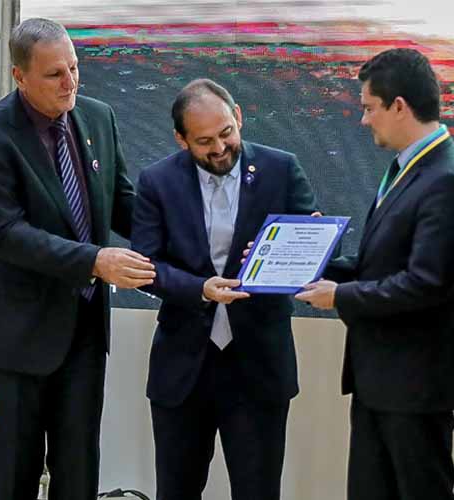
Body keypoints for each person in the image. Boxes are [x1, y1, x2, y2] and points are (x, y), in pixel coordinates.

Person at [0, 17, 155, 500]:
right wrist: (95, 261)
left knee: (79, 473)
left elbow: (122, 203)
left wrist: (191, 239)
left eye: (74, 67)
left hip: (82, 333)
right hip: (11, 340)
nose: (70, 82)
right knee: (16, 478)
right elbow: (8, 236)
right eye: (54, 74)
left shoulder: (98, 117)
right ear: (19, 76)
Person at [296, 48, 454, 500]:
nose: (363, 121)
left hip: (415, 384)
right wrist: (307, 261)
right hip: (382, 378)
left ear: (399, 106)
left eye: (369, 108)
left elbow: (426, 284)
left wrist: (340, 297)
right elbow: (381, 265)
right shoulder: (409, 168)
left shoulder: (446, 178)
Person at [131, 78, 318, 500]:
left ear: (238, 117)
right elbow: (146, 265)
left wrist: (303, 241)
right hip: (183, 368)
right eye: (204, 141)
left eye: (226, 133)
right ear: (181, 140)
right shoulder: (157, 181)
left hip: (259, 366)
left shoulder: (281, 169)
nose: (219, 148)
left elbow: (318, 241)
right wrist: (201, 288)